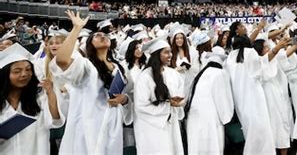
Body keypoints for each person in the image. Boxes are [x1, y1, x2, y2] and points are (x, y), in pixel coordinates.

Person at [51, 11, 133, 154]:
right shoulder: (86, 65)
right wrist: (76, 28)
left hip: (112, 126)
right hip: (88, 125)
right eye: (97, 35)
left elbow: (126, 94)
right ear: (89, 44)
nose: (103, 36)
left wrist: (124, 100)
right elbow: (62, 60)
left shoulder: (119, 67)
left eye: (105, 35)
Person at [0, 43, 64, 154]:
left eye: (28, 69)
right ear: (5, 75)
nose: (24, 74)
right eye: (17, 71)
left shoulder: (39, 98)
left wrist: (50, 93)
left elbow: (55, 119)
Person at [134, 38, 185, 154]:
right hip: (152, 127)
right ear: (157, 55)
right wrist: (167, 106)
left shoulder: (173, 73)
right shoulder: (145, 77)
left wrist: (179, 102)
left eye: (170, 52)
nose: (170, 55)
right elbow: (141, 106)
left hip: (171, 123)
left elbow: (180, 94)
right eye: (166, 52)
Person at [226, 35, 275, 154]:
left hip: (240, 98)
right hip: (254, 95)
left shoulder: (230, 57)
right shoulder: (250, 52)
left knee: (249, 128)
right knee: (261, 128)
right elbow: (259, 72)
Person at [185, 46, 234, 154]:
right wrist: (227, 117)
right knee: (212, 148)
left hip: (194, 119)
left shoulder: (202, 73)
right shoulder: (219, 73)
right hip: (210, 120)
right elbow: (222, 99)